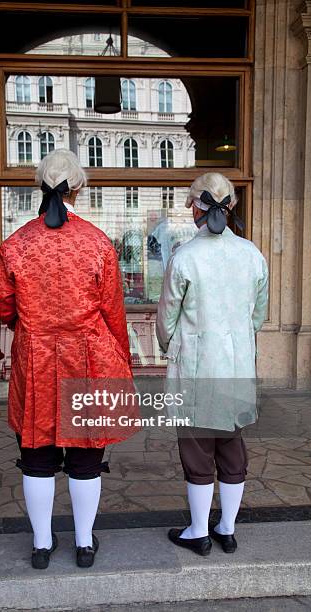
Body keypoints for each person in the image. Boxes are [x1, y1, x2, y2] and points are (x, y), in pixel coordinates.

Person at [0, 149, 133, 570]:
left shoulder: (14, 244)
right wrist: (122, 358)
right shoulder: (97, 242)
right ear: (78, 188)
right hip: (88, 359)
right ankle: (85, 544)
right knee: (86, 455)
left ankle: (40, 544)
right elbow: (112, 310)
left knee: (36, 454)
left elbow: (3, 306)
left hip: (35, 359)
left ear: (40, 186)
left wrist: (31, 327)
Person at [156, 172, 268, 557]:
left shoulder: (184, 256)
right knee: (232, 445)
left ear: (195, 207)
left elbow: (167, 319)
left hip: (197, 366)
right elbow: (258, 316)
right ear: (230, 206)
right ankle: (228, 528)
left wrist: (169, 346)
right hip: (237, 365)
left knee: (197, 446)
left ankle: (199, 531)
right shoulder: (252, 254)